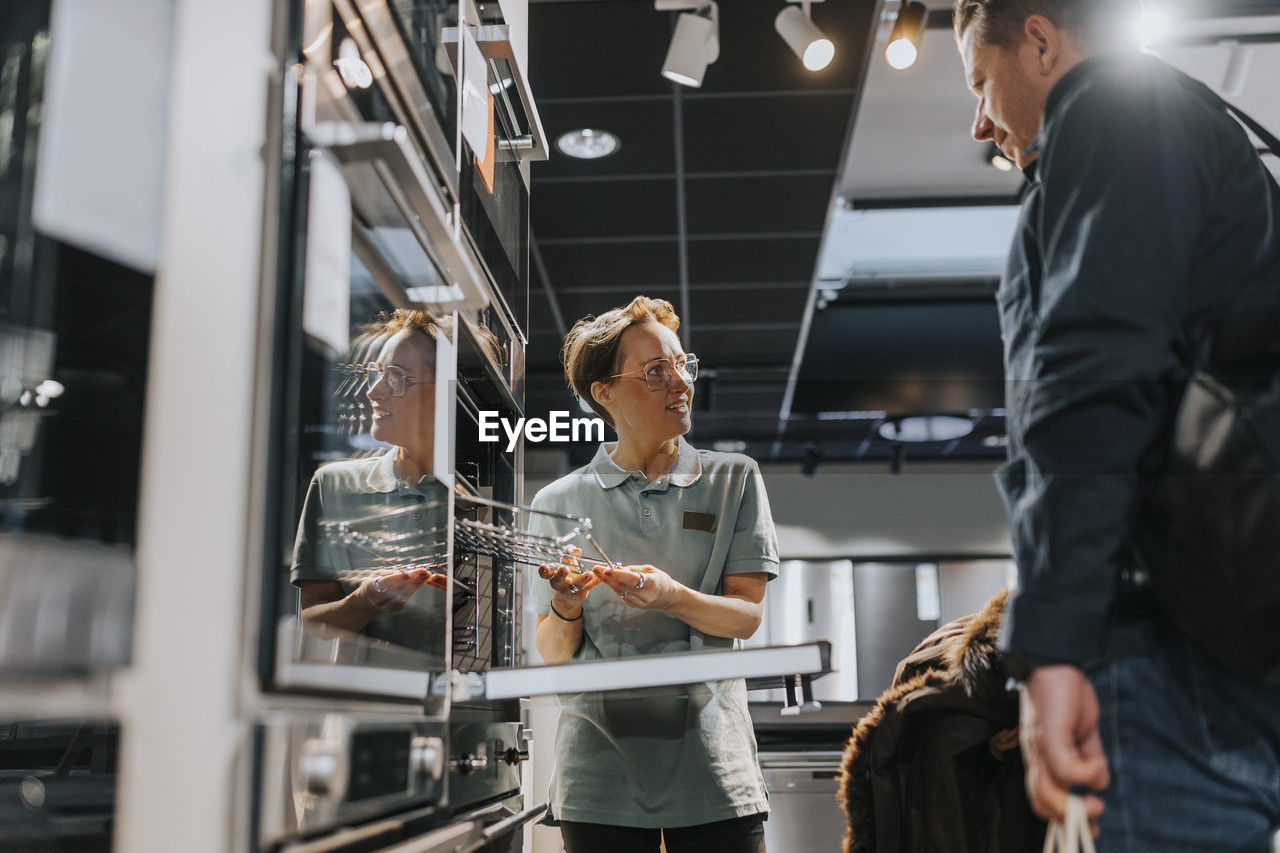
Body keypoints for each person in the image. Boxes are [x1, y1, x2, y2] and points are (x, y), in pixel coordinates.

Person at [953, 1, 1280, 849]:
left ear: (1039, 39)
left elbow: (1092, 377)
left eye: (980, 83)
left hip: (1173, 639)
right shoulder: (1189, 130)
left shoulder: (1111, 111)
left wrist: (1055, 645)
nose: (979, 120)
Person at [529, 296, 778, 853]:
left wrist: (670, 596)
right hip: (599, 775)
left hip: (713, 768)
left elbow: (746, 617)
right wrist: (568, 604)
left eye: (683, 365)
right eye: (656, 372)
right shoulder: (557, 501)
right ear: (605, 393)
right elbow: (554, 652)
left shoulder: (734, 480)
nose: (681, 383)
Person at [290, 309, 451, 651]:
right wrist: (365, 600)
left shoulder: (478, 494)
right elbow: (312, 620)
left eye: (396, 377)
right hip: (365, 700)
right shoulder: (333, 485)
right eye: (377, 374)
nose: (373, 393)